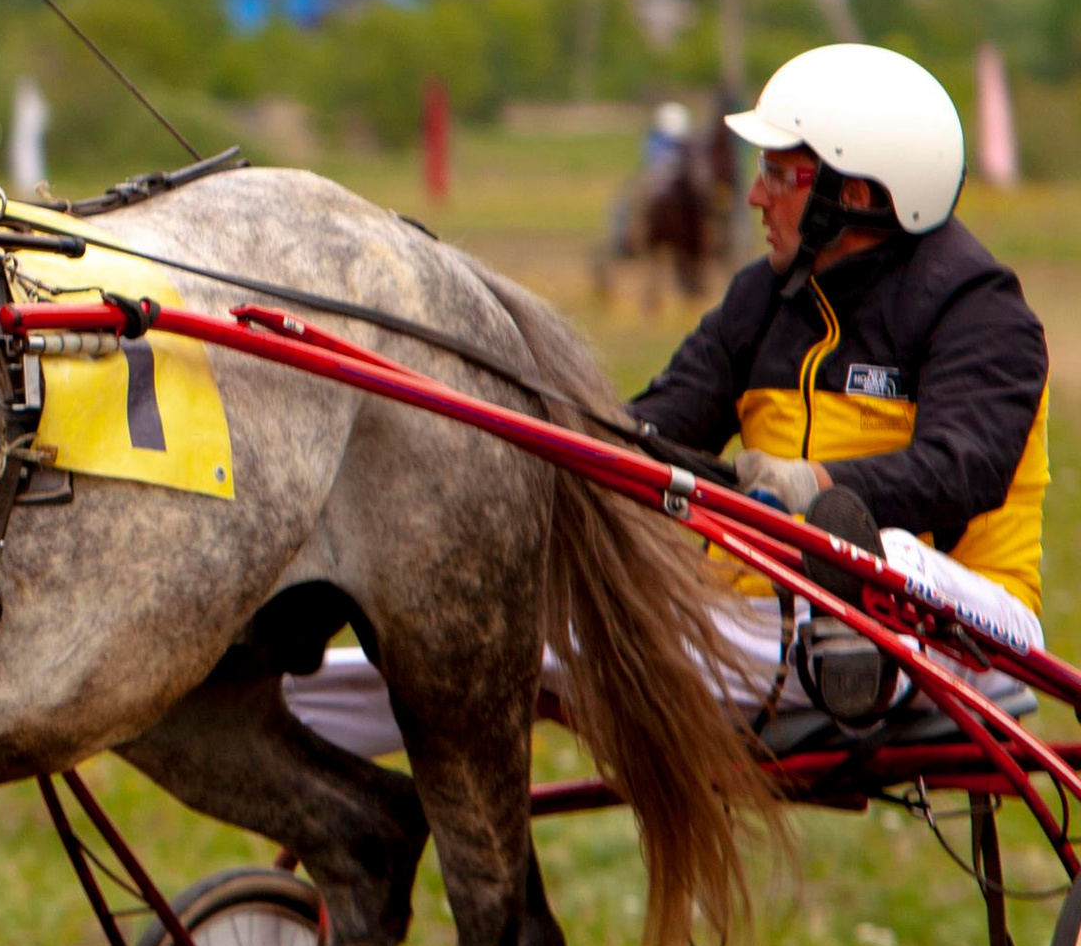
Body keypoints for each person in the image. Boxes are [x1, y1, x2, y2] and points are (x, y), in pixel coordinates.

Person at [287, 44, 1047, 758]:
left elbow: (963, 470)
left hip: (972, 630)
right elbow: (652, 429)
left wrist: (813, 486)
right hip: (763, 629)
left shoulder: (978, 309)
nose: (753, 195)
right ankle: (275, 698)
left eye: (778, 175)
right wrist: (496, 420)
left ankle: (853, 648)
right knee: (483, 641)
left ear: (855, 196)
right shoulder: (764, 298)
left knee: (882, 551)